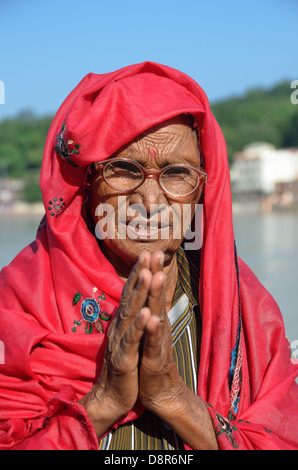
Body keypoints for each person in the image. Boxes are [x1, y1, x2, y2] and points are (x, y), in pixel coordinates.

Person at [0, 62, 297, 450]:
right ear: (88, 182)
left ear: (202, 191)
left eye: (177, 174)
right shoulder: (19, 301)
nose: (151, 203)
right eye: (123, 169)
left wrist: (174, 399)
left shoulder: (245, 309)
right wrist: (104, 402)